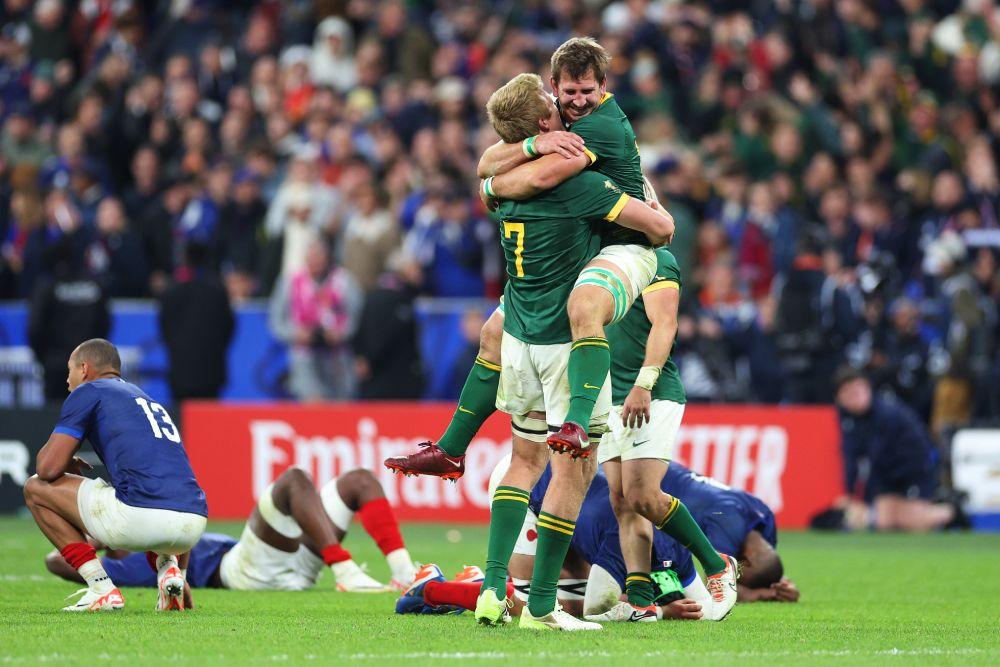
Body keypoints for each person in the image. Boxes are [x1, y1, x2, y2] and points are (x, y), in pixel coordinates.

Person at [386, 36, 669, 475]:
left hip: (629, 241)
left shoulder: (601, 127)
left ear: (604, 85)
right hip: (588, 238)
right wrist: (531, 148)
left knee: (583, 305)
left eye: (587, 91)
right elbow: (487, 159)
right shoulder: (556, 132)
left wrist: (493, 187)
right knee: (494, 333)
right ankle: (451, 448)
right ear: (554, 89)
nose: (578, 101)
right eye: (568, 93)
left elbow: (542, 176)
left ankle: (576, 420)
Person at [463, 73, 674, 632]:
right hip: (565, 348)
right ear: (544, 122)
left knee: (522, 460)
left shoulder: (496, 188)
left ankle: (490, 591)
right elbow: (659, 227)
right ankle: (540, 609)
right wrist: (653, 210)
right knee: (573, 472)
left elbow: (488, 170)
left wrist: (528, 148)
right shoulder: (579, 179)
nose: (565, 108)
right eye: (555, 103)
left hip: (521, 336)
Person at [596, 245, 738, 623]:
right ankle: (640, 601)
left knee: (643, 495)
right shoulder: (592, 255)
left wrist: (644, 384)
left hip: (650, 393)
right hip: (606, 395)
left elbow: (665, 322)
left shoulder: (656, 259)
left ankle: (717, 563)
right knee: (622, 500)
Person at [398, 458, 716, 622]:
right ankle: (429, 589)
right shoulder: (618, 541)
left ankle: (478, 581)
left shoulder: (672, 541)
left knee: (569, 590)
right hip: (528, 485)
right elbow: (595, 609)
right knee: (540, 606)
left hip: (571, 496)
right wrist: (661, 613)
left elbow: (704, 606)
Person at [22, 339, 207, 612]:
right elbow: (173, 479)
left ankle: (101, 588)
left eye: (70, 371)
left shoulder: (88, 391)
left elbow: (47, 469)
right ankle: (171, 572)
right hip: (194, 524)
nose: (67, 380)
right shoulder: (146, 398)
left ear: (84, 369)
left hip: (141, 518)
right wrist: (184, 569)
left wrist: (63, 461)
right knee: (160, 490)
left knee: (35, 488)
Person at [44, 467, 418, 595]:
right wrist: (97, 537)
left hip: (279, 563)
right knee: (292, 481)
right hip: (246, 575)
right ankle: (344, 569)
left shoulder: (154, 537)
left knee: (359, 481)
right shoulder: (130, 568)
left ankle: (404, 575)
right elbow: (54, 562)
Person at [833, 367, 956, 532]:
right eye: (849, 393)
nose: (856, 396)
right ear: (840, 398)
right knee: (883, 522)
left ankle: (951, 513)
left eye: (859, 389)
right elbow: (851, 455)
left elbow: (878, 456)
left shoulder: (886, 414)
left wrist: (864, 495)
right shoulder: (850, 420)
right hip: (888, 476)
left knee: (912, 525)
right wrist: (849, 493)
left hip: (912, 472)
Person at [662, 462, 799, 603]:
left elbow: (766, 567)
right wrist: (760, 594)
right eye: (738, 576)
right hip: (653, 479)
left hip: (668, 472)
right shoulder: (729, 522)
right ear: (745, 561)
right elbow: (715, 588)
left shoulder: (765, 518)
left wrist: (782, 585)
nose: (734, 578)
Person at [158, 242, 235, 400]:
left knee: (180, 421)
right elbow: (229, 327)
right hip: (211, 370)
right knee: (208, 422)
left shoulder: (171, 292)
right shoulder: (218, 292)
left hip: (181, 369)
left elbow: (164, 328)